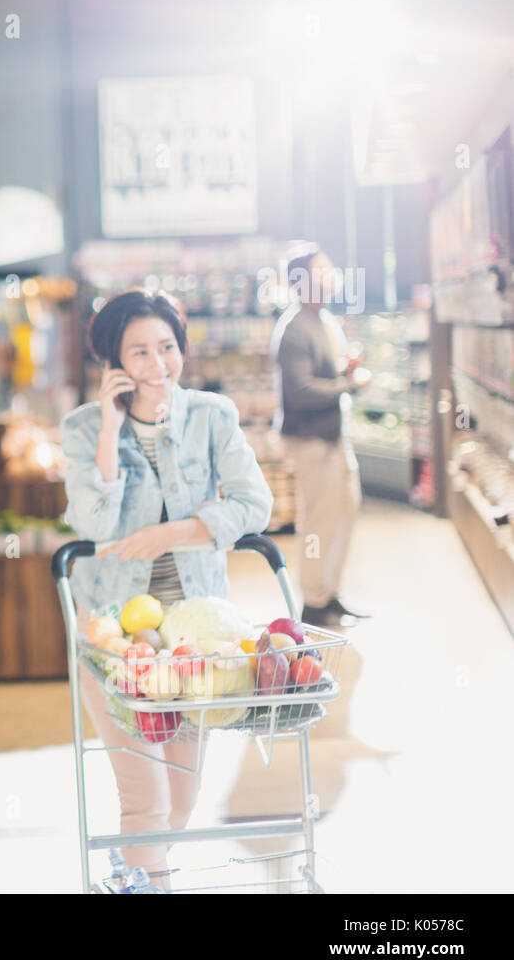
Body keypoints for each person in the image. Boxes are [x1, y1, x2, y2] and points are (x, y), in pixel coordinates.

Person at [61, 288, 274, 889]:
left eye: (167, 348)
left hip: (192, 635)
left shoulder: (212, 416)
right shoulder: (81, 428)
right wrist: (108, 426)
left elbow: (256, 502)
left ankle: (131, 870)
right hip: (114, 637)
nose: (158, 365)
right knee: (147, 796)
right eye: (139, 352)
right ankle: (144, 879)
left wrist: (174, 533)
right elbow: (94, 524)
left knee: (183, 794)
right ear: (113, 363)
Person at [270, 248, 372, 628]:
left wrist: (348, 369)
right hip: (311, 441)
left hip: (333, 436)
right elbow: (301, 391)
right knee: (319, 519)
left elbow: (328, 374)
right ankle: (312, 601)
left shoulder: (325, 320)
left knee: (345, 509)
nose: (330, 277)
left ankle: (329, 593)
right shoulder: (294, 328)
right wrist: (348, 384)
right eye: (321, 271)